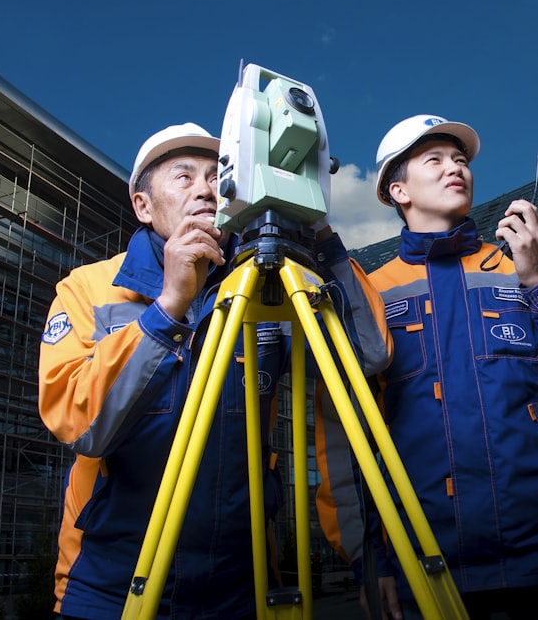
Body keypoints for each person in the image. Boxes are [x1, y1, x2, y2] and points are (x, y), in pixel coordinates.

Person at [39, 123, 390, 620]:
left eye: (217, 175)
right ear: (143, 205)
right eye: (183, 177)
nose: (206, 188)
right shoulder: (88, 289)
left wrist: (318, 237)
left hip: (240, 585)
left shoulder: (266, 290)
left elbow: (367, 356)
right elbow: (80, 425)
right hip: (110, 584)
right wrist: (167, 308)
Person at [316, 115, 538, 620]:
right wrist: (369, 560)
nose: (454, 167)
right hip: (427, 568)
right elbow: (341, 438)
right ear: (398, 190)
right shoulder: (370, 293)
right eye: (433, 160)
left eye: (459, 159)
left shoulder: (528, 269)